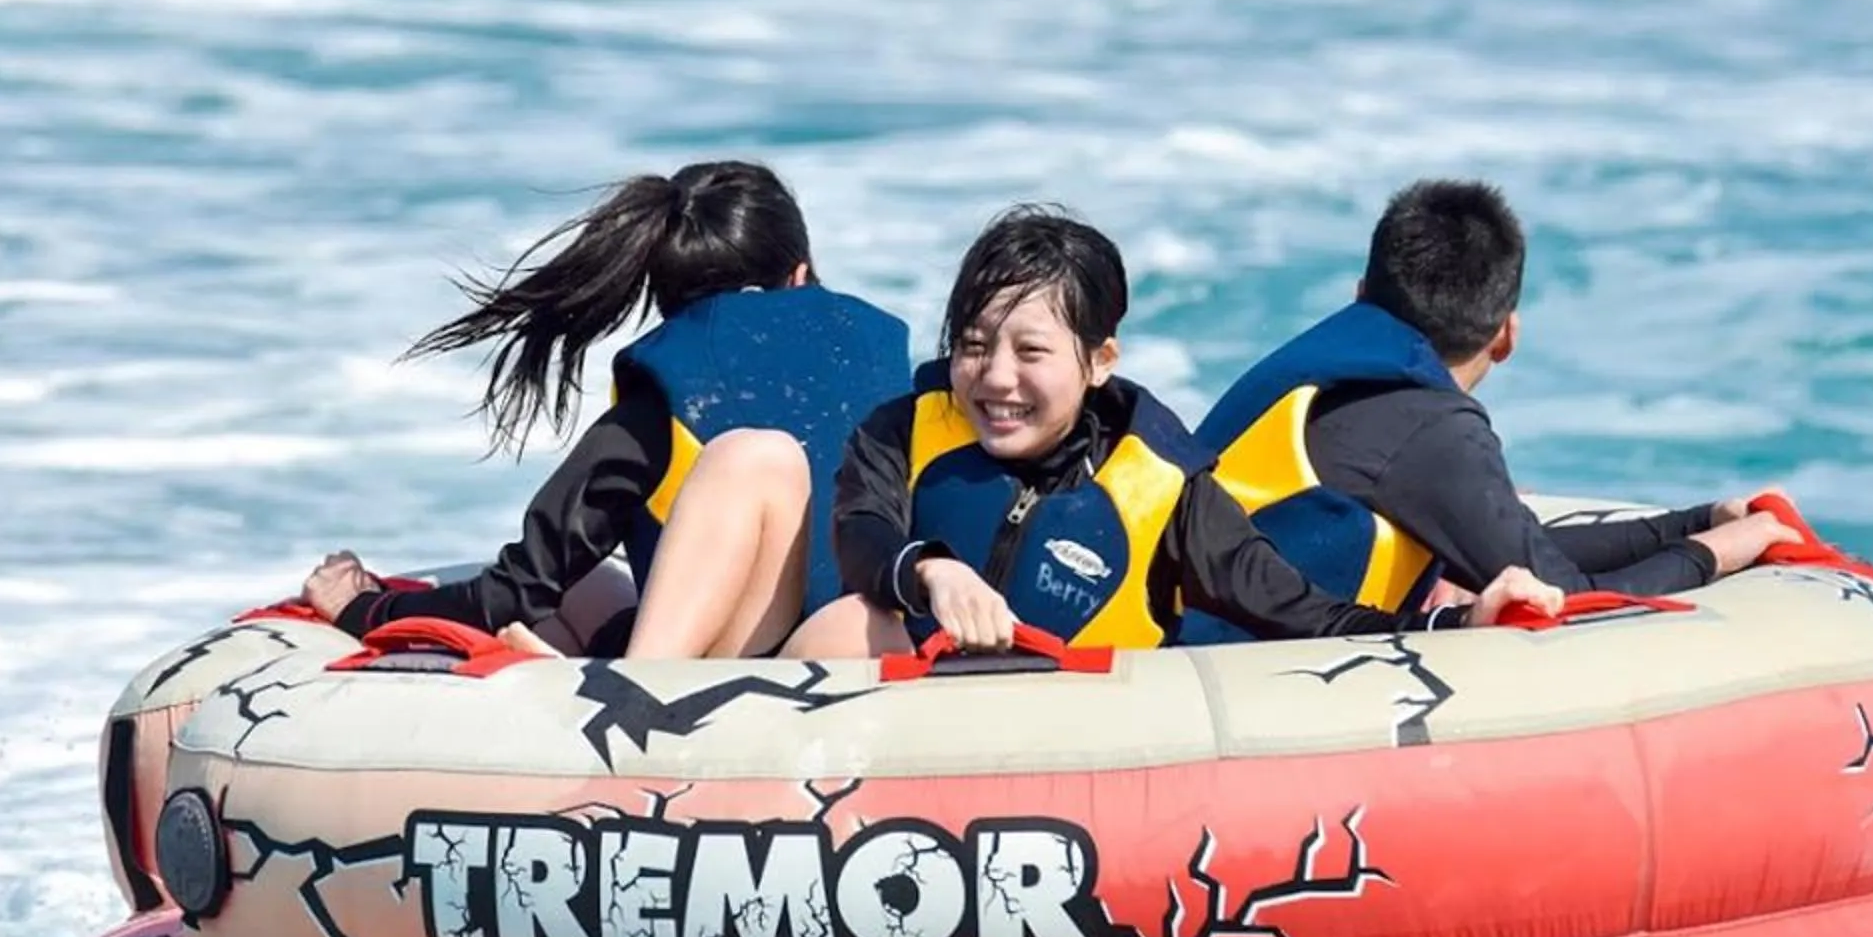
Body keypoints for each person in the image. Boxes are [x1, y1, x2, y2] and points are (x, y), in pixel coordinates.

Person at [642, 204, 1561, 657]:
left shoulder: (1162, 481)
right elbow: (863, 532)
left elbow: (1289, 608)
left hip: (1047, 770)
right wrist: (932, 569)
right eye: (972, 346)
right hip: (870, 725)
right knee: (853, 619)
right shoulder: (907, 428)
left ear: (1099, 360)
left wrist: (1449, 625)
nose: (994, 380)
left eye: (1028, 352)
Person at [299, 160, 910, 659]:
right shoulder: (888, 356)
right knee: (589, 587)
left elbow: (514, 592)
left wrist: (364, 608)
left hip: (736, 693)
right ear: (801, 275)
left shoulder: (664, 387)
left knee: (578, 580)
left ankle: (608, 697)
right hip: (858, 645)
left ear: (664, 297)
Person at [1181, 178, 1792, 644]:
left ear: (1361, 298)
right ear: (1506, 336)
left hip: (1172, 645)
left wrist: (1702, 518)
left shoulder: (1328, 370)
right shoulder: (1426, 429)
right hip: (1221, 678)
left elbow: (1520, 549)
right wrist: (1722, 551)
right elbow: (1571, 602)